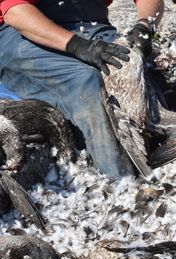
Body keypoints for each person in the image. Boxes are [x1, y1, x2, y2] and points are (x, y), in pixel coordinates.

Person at [0, 0, 164, 176]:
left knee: (138, 75)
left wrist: (144, 26)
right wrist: (78, 45)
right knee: (86, 82)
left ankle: (167, 169)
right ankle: (118, 180)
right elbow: (15, 11)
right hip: (26, 28)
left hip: (93, 28)